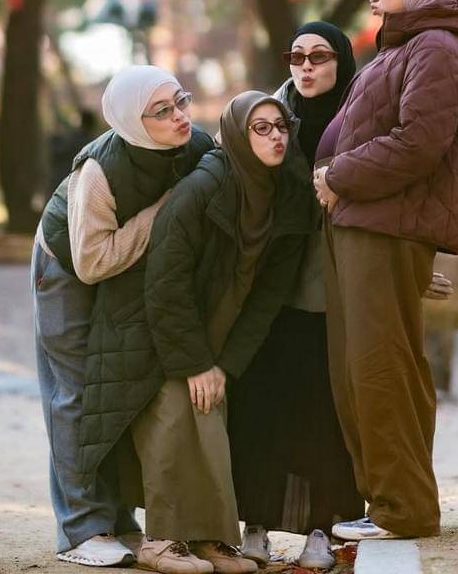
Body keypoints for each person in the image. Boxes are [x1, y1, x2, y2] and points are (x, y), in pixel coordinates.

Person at [230, 24, 452, 569]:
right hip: (268, 295)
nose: (305, 67)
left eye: (319, 57)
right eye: (295, 55)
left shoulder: (361, 115)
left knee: (330, 417)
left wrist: (413, 273)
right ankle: (254, 523)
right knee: (261, 411)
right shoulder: (267, 118)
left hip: (337, 293)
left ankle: (323, 529)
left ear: (341, 61)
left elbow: (392, 195)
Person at [314, 0, 458, 542]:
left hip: (386, 226)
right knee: (360, 371)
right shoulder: (401, 48)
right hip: (360, 226)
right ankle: (389, 503)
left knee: (381, 368)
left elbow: (418, 144)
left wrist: (338, 176)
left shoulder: (439, 49)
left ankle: (405, 510)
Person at [31, 65, 213, 567]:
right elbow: (93, 263)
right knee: (75, 392)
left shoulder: (196, 146)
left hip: (126, 269)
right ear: (133, 122)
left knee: (117, 382)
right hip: (66, 267)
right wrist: (165, 210)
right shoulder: (98, 172)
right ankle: (79, 530)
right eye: (162, 111)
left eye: (181, 101)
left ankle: (117, 517)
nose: (179, 116)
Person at [135, 92, 315, 574]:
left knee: (210, 416)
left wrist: (222, 363)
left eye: (281, 126)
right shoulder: (203, 188)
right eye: (261, 128)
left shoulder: (286, 196)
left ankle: (212, 540)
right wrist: (194, 361)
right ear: (237, 134)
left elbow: (267, 299)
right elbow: (165, 282)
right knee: (175, 414)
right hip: (166, 324)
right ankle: (161, 540)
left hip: (220, 330)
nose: (276, 136)